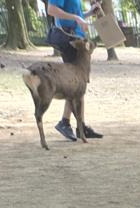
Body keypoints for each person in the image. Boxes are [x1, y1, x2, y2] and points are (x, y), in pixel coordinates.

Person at [45, 0, 103, 142]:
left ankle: (79, 126)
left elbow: (74, 15)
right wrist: (76, 18)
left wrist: (88, 13)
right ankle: (65, 122)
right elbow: (51, 10)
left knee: (79, 85)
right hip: (70, 41)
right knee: (77, 85)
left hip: (78, 39)